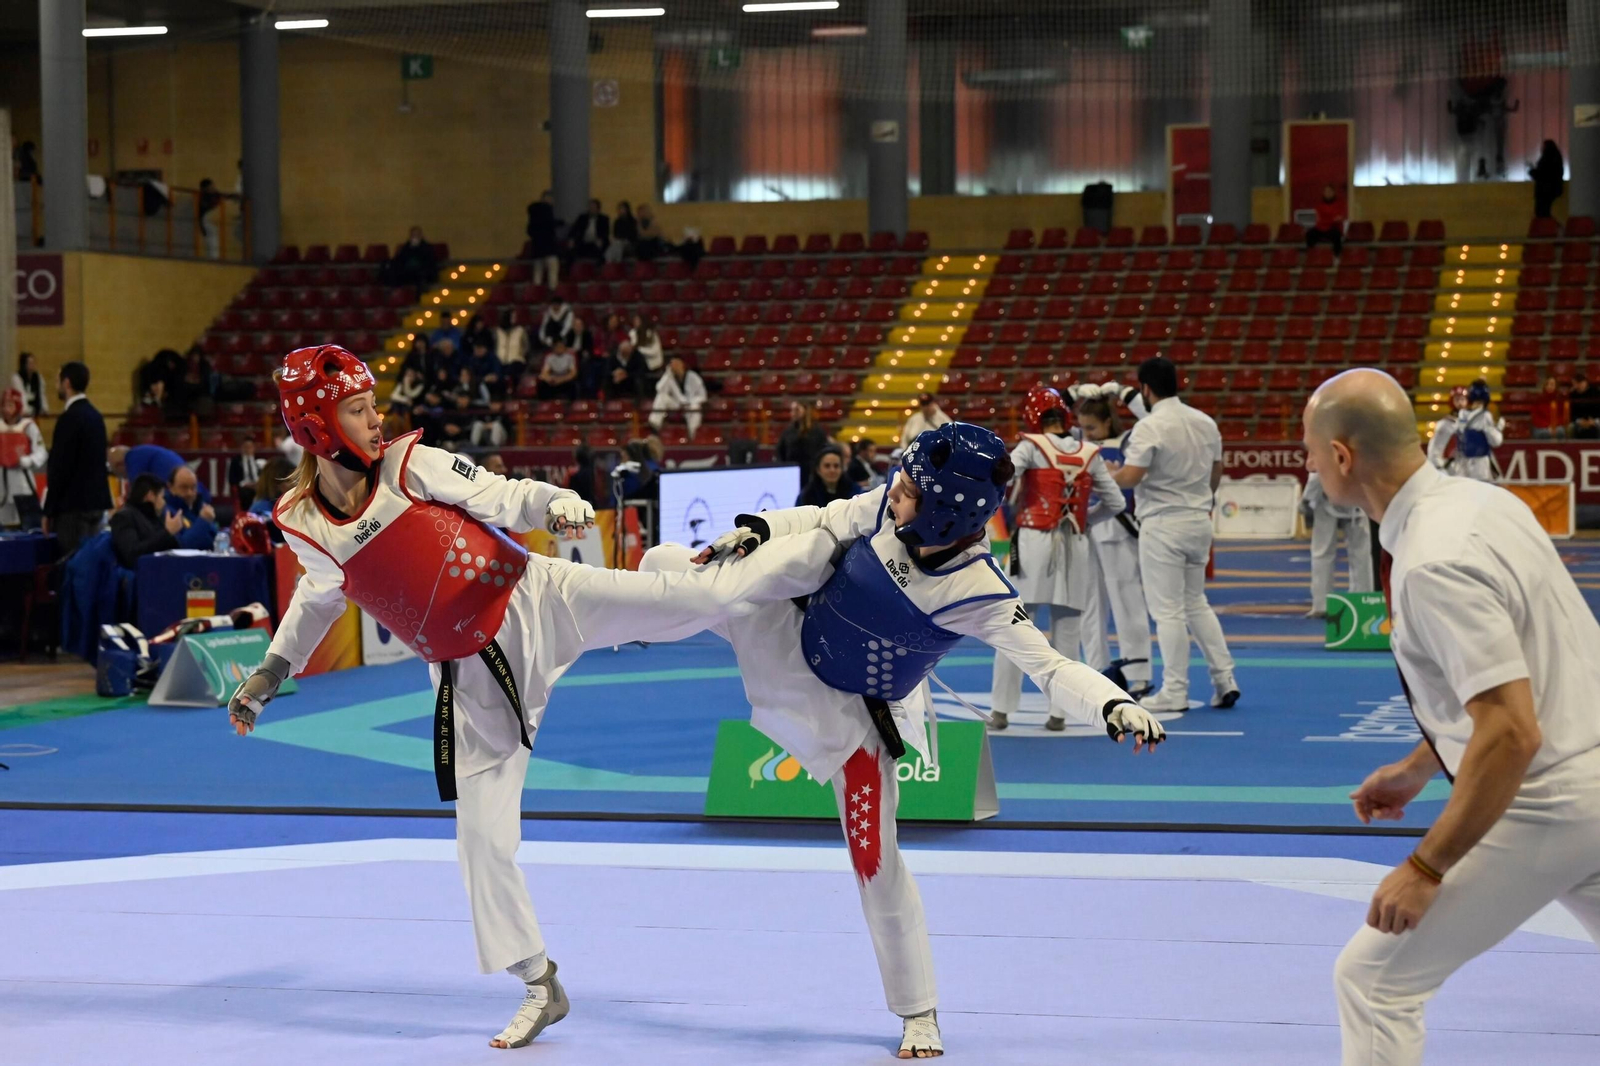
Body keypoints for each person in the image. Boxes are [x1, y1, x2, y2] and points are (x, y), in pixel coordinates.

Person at [227, 344, 840, 1051]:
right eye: (358, 410)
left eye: (372, 406)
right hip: (473, 676)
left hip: (537, 596)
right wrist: (271, 673)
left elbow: (506, 494)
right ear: (316, 428)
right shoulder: (301, 519)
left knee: (694, 596)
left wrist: (561, 504)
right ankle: (540, 983)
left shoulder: (409, 464)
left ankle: (816, 559)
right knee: (481, 842)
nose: (375, 419)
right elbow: (317, 595)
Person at [650, 422, 1165, 1060]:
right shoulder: (890, 505)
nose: (894, 489)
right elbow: (830, 513)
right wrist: (760, 528)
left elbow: (1051, 666)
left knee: (875, 860)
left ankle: (918, 1013)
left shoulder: (979, 591)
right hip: (786, 639)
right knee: (667, 564)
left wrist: (1113, 702)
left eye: (912, 488)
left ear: (948, 513)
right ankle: (588, 619)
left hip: (857, 716)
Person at [1302, 368, 1600, 1066]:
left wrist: (1426, 866)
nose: (1311, 467)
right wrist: (1416, 767)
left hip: (1548, 800)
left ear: (1342, 456)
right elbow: (1522, 678)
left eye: (1312, 452)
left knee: (1374, 982)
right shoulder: (1485, 505)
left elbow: (1511, 728)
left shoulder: (1434, 561)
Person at [989, 386, 1125, 730]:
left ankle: (1001, 711)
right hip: (1075, 544)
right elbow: (1117, 504)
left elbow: (1001, 479)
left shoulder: (1031, 447)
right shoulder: (1090, 452)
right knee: (1067, 632)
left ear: (1034, 418)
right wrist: (1083, 521)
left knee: (1014, 627)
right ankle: (1059, 714)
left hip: (1033, 540)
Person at [1109, 356, 1239, 712]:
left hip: (1164, 524)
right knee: (1195, 602)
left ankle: (1175, 690)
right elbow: (1216, 473)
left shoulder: (1150, 427)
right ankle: (1224, 678)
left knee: (1167, 612)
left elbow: (1132, 477)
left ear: (1146, 389)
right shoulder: (1205, 422)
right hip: (1199, 521)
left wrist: (1108, 474)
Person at [1072, 393, 1154, 699]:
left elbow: (1152, 420)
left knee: (1127, 600)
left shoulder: (1132, 441)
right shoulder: (1077, 445)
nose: (1087, 434)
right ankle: (1096, 672)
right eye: (1083, 427)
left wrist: (1125, 393)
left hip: (1118, 529)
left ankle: (1139, 674)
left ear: (1109, 421)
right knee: (1088, 604)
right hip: (1084, 529)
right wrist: (1075, 393)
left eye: (1092, 427)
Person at [42, 361, 112, 556]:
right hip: (96, 505)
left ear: (66, 383)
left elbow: (59, 468)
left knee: (73, 566)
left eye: (58, 381)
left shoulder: (68, 419)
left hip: (73, 508)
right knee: (92, 565)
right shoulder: (96, 416)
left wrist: (49, 511)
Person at [1299, 470, 1374, 620]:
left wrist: (1306, 499)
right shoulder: (1362, 446)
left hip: (1330, 496)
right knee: (1361, 554)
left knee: (1323, 552)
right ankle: (1362, 599)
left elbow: (1317, 471)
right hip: (1357, 496)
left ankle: (1322, 605)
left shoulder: (1324, 446)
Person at [1427, 380, 1502, 481]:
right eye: (1457, 399)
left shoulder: (1474, 419)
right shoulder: (1445, 424)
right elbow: (1434, 451)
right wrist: (1440, 468)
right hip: (1452, 469)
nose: (1460, 403)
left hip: (1466, 466)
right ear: (1451, 401)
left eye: (1463, 399)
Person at [109, 473, 187, 568]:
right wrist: (167, 533)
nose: (164, 502)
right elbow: (132, 555)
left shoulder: (155, 516)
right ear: (150, 495)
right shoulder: (124, 517)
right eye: (162, 497)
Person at [0, 387, 47, 529]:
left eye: (10, 405)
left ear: (18, 405)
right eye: (4, 404)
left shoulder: (28, 426)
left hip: (22, 481)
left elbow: (41, 452)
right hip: (2, 483)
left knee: (29, 527)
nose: (7, 409)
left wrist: (28, 460)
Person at [109, 443, 212, 503]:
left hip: (181, 496)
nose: (122, 477)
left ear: (119, 465)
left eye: (116, 473)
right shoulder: (143, 452)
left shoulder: (131, 458)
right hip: (198, 493)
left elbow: (136, 492)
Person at [648, 355, 707, 440]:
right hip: (677, 404)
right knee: (662, 397)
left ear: (682, 364)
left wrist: (691, 402)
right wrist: (667, 374)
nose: (673, 365)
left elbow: (703, 396)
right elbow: (659, 389)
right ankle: (655, 427)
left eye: (676, 363)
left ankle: (692, 436)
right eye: (672, 363)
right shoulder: (669, 377)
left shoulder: (692, 376)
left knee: (695, 408)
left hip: (690, 404)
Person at [165, 466, 219, 550]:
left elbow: (215, 540)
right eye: (184, 487)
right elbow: (182, 546)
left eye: (193, 487)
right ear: (171, 487)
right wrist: (203, 521)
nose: (190, 493)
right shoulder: (167, 513)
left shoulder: (199, 508)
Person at [776, 401, 829, 475]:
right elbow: (781, 454)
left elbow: (823, 452)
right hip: (792, 472)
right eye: (792, 410)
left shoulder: (817, 432)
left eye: (796, 410)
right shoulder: (787, 432)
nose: (793, 413)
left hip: (813, 473)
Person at [525, 191, 561, 288]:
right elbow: (550, 225)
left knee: (538, 273)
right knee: (552, 269)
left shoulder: (534, 212)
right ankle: (552, 290)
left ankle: (536, 293)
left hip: (537, 247)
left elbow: (529, 230)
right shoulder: (547, 210)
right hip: (549, 246)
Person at [1305, 183, 1346, 255]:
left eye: (1330, 191)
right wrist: (1331, 219)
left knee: (1337, 236)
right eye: (1326, 192)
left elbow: (1339, 219)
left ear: (1333, 193)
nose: (1328, 193)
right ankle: (1311, 255)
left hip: (1333, 229)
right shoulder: (1319, 206)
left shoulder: (1340, 205)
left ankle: (1337, 257)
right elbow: (1319, 220)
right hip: (1320, 229)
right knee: (1309, 234)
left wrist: (1326, 220)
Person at [1529, 139, 1564, 219]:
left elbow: (1542, 175)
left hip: (1544, 191)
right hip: (1552, 190)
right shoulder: (1556, 157)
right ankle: (1550, 228)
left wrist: (1532, 171)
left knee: (1541, 213)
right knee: (1545, 212)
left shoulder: (1546, 158)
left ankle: (1547, 228)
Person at [566, 198, 609, 263]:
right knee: (571, 250)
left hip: (596, 241)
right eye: (590, 207)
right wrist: (571, 239)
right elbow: (574, 229)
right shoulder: (582, 217)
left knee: (601, 248)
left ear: (598, 208)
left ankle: (598, 269)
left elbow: (605, 232)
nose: (592, 209)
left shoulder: (603, 219)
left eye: (594, 207)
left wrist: (601, 239)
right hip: (583, 241)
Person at [1529, 376, 1569, 441]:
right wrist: (1547, 426)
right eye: (1547, 384)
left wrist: (1554, 426)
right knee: (1542, 433)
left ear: (1556, 386)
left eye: (1552, 384)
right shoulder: (1537, 399)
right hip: (1541, 427)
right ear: (1544, 386)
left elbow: (1563, 416)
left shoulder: (1561, 400)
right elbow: (1535, 417)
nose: (1549, 386)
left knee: (1561, 432)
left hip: (1557, 427)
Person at [229, 437, 264, 510]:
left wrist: (258, 484)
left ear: (254, 448)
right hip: (243, 487)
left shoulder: (259, 460)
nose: (247, 449)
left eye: (250, 447)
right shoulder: (236, 461)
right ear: (241, 448)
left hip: (257, 486)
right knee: (247, 493)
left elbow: (264, 476)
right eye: (245, 447)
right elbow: (232, 479)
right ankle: (248, 513)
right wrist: (244, 484)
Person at [11, 351, 49, 419]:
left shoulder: (38, 377)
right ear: (24, 364)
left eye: (33, 363)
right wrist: (26, 410)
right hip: (22, 414)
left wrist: (44, 408)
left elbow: (41, 394)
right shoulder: (17, 378)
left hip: (35, 412)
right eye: (30, 363)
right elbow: (21, 394)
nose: (32, 365)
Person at [494, 308, 529, 376]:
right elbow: (495, 345)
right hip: (500, 361)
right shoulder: (498, 331)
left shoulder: (520, 330)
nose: (514, 319)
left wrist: (521, 354)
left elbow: (526, 346)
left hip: (516, 361)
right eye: (513, 317)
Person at [198, 178, 223, 259]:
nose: (213, 188)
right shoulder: (203, 197)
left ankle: (213, 258)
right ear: (206, 188)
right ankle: (213, 259)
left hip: (208, 221)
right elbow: (204, 209)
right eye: (211, 186)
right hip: (206, 220)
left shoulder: (215, 195)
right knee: (211, 241)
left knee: (212, 241)